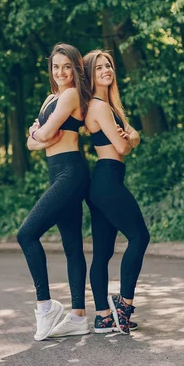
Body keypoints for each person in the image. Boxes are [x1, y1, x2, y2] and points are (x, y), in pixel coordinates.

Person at [17, 43, 92, 340]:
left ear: (76, 69)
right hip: (57, 172)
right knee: (72, 245)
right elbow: (32, 142)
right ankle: (78, 316)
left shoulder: (72, 95)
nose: (61, 72)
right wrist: (39, 136)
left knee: (26, 234)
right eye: (56, 67)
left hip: (71, 172)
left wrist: (39, 135)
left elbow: (43, 135)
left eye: (67, 67)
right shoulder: (51, 98)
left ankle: (45, 306)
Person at [83, 50, 150, 334]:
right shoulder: (99, 107)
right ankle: (123, 305)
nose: (106, 70)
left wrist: (130, 136)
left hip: (103, 181)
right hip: (108, 179)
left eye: (108, 65)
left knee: (103, 253)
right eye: (98, 68)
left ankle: (103, 318)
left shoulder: (109, 106)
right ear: (89, 75)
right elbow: (124, 146)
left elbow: (134, 135)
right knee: (139, 236)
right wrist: (129, 138)